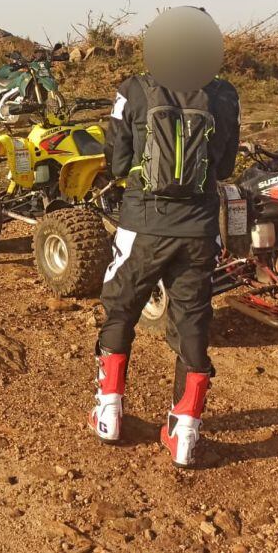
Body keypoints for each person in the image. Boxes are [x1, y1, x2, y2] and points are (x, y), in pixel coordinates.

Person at [90, 60, 240, 468]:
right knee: (192, 318)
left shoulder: (133, 89)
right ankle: (185, 432)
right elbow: (224, 167)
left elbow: (118, 163)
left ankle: (109, 414)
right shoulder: (225, 94)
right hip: (199, 230)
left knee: (121, 308)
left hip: (143, 225)